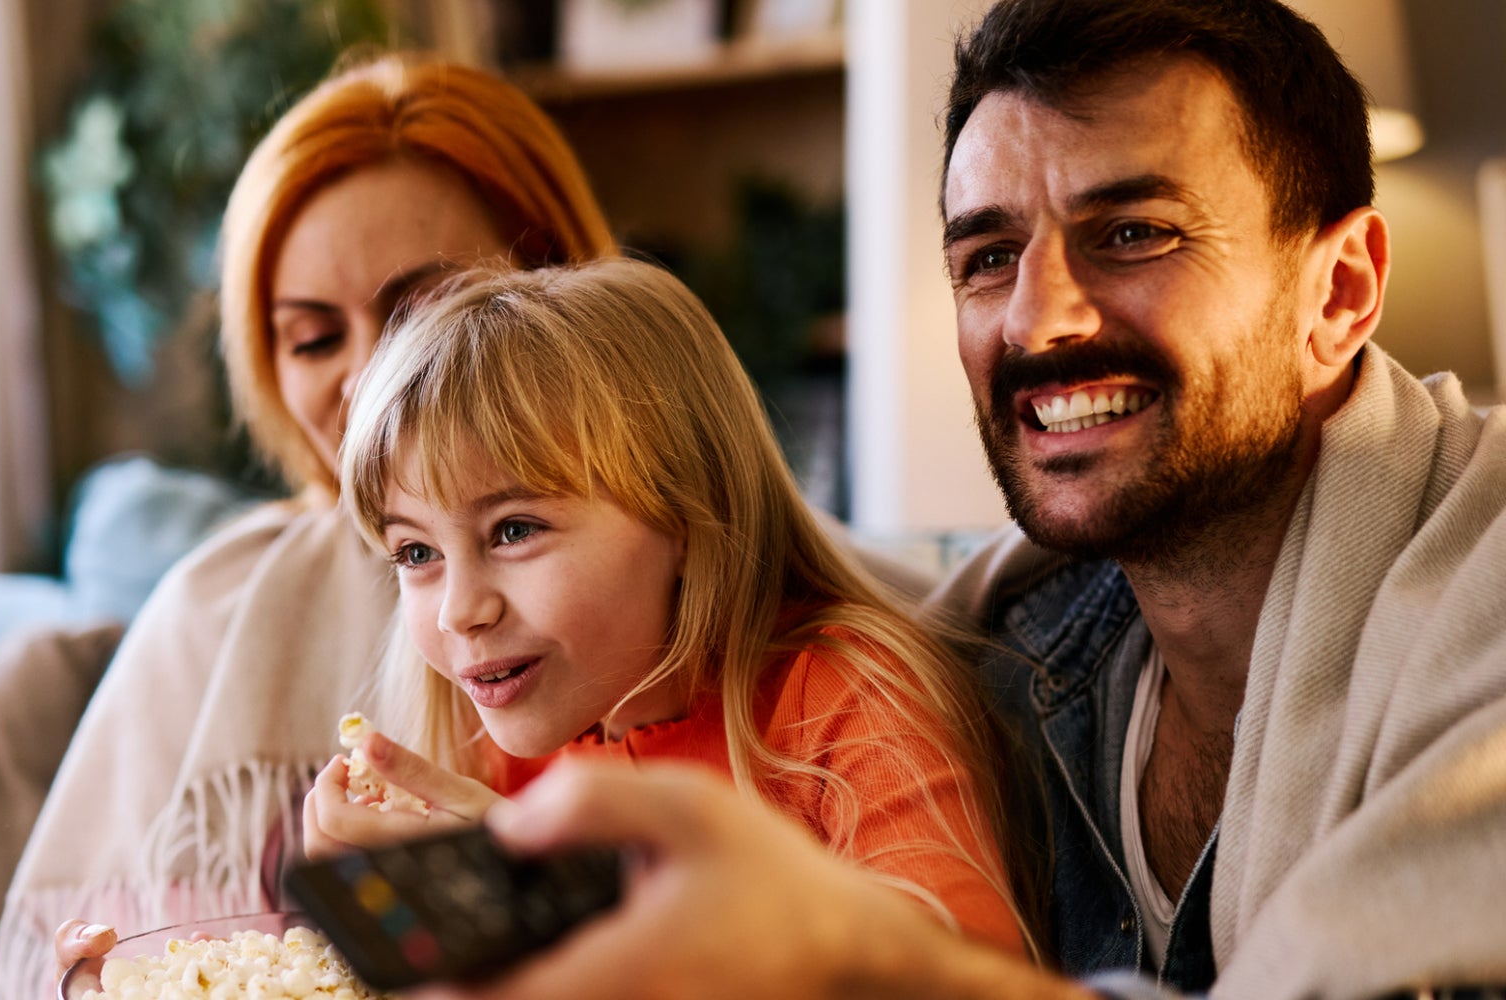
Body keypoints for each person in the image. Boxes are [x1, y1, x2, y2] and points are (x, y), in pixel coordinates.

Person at [411, 0, 1506, 998]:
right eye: (987, 255)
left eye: (1131, 233)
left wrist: (868, 957)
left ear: (1341, 288)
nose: (1039, 321)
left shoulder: (1482, 591)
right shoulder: (1002, 648)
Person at [0, 52, 618, 997]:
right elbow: (56, 961)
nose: (370, 380)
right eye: (314, 338)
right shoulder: (213, 610)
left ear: (562, 290)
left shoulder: (707, 599)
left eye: (423, 310)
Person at [299, 259, 1029, 956]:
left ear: (685, 516)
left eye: (514, 530)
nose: (460, 611)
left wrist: (561, 900)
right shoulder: (482, 734)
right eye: (416, 553)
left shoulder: (840, 703)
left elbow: (961, 977)